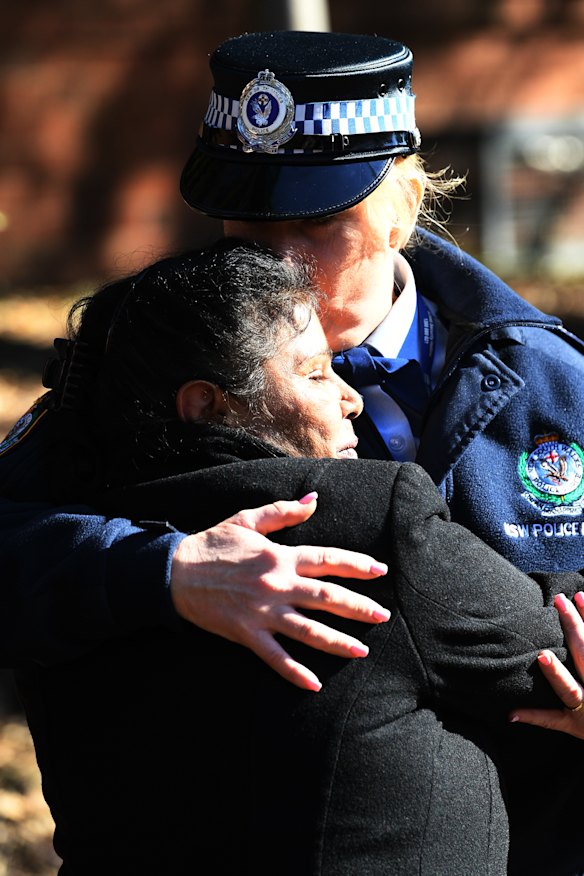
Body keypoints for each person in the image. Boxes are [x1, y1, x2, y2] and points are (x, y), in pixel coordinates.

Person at [2, 28, 584, 872]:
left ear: (403, 208)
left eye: (319, 225)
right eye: (251, 223)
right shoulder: (151, 363)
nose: (282, 263)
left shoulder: (549, 382)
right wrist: (163, 572)